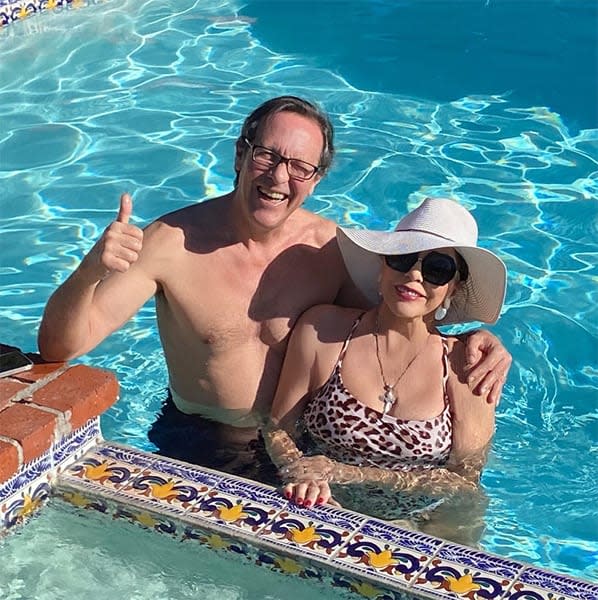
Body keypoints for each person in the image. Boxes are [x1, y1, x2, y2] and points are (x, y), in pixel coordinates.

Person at [37, 96, 510, 482]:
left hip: (297, 448)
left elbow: (403, 314)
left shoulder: (329, 250)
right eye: (268, 155)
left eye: (300, 167)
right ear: (241, 154)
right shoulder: (170, 245)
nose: (279, 178)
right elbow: (60, 346)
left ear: (316, 179)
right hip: (198, 438)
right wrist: (89, 272)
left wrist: (475, 341)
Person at [265, 197, 507, 541]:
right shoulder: (324, 332)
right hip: (319, 508)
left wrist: (344, 472)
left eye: (437, 268)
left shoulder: (466, 369)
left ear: (453, 288)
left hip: (416, 527)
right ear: (382, 265)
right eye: (403, 257)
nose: (414, 274)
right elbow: (278, 428)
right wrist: (299, 472)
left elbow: (464, 481)